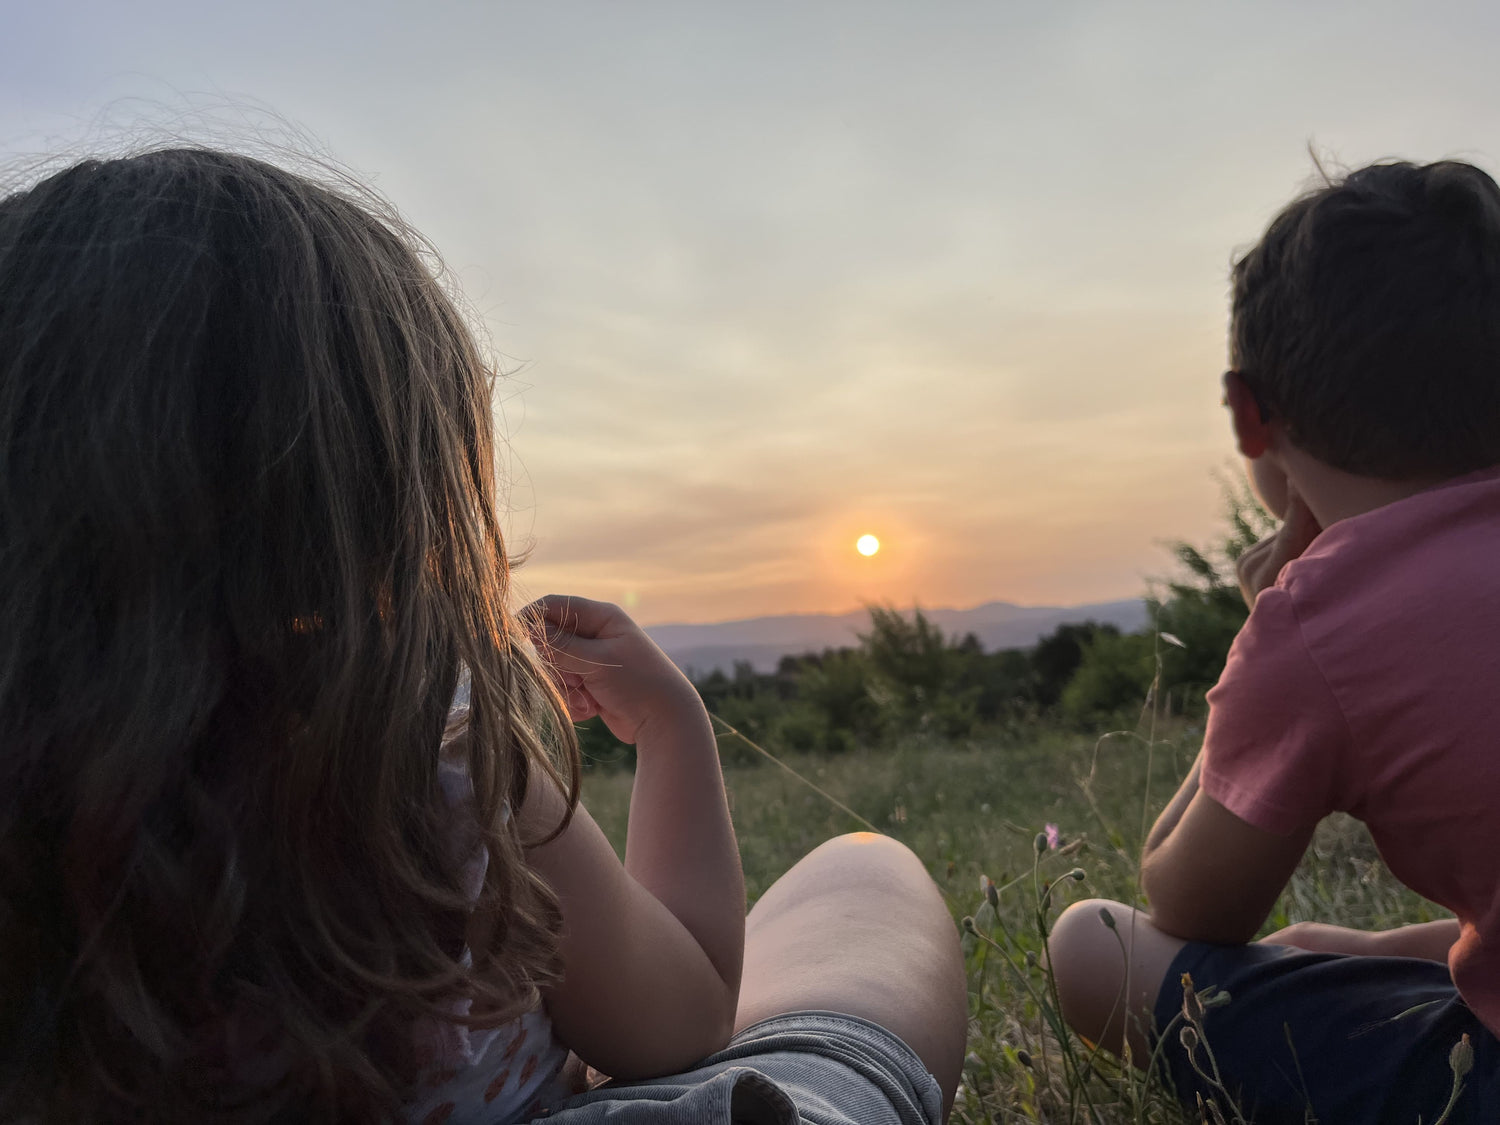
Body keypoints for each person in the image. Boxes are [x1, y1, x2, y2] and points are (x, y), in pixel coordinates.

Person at [0, 148, 967, 1125]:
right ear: (385, 494)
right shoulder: (425, 754)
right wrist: (675, 729)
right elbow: (686, 1018)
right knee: (863, 873)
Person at [1047, 158, 1500, 1123]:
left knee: (1094, 942)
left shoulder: (1323, 621)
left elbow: (1188, 905)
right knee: (1326, 947)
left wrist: (1264, 630)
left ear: (1251, 414)